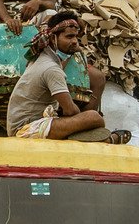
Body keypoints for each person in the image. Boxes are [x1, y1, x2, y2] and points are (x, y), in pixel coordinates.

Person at [8, 10, 107, 140]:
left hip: (30, 123)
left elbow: (60, 62)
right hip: (26, 129)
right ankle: (100, 139)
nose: (75, 42)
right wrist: (81, 120)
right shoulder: (51, 69)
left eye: (76, 37)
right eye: (69, 37)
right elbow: (70, 111)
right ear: (53, 38)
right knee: (94, 117)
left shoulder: (43, 59)